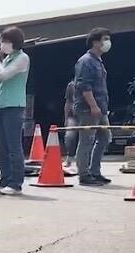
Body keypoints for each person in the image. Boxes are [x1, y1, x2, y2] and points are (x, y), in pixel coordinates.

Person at [0, 27, 30, 196]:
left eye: (5, 41)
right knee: (2, 147)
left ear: (14, 42)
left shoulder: (22, 58)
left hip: (14, 106)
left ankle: (16, 183)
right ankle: (4, 180)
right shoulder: (8, 58)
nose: (2, 45)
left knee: (14, 147)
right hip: (1, 106)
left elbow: (4, 75)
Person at [74, 28, 113, 186]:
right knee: (87, 140)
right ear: (95, 42)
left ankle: (95, 171)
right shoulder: (86, 61)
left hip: (101, 108)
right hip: (89, 109)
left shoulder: (98, 61)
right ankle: (84, 174)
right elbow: (85, 86)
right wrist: (93, 105)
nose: (108, 42)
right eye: (105, 39)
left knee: (105, 138)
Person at [62, 80, 79, 171]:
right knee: (69, 137)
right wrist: (66, 118)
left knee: (85, 138)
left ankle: (82, 161)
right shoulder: (71, 86)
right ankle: (69, 158)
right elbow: (68, 102)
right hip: (72, 115)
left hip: (84, 114)